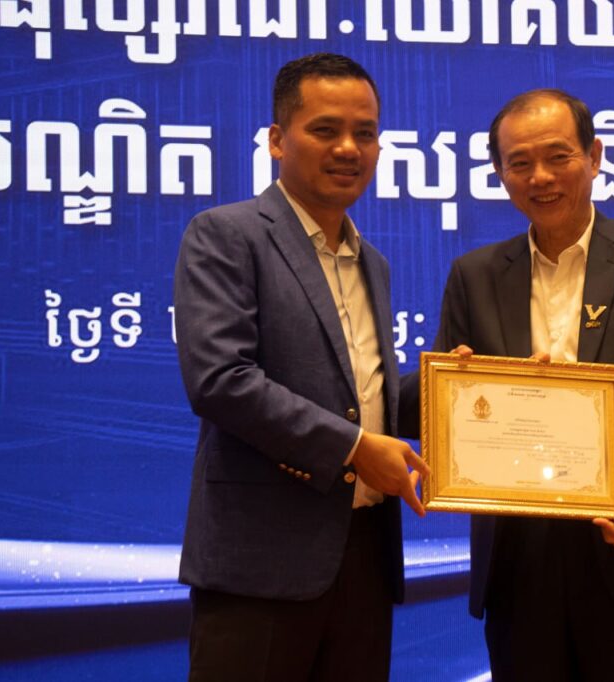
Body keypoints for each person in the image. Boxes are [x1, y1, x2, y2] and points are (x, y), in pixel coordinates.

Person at [403, 89, 614, 681]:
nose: (540, 177)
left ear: (594, 157)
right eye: (519, 163)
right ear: (500, 173)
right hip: (519, 561)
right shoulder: (474, 275)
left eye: (557, 157)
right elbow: (433, 406)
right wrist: (449, 388)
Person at [173, 53, 428, 682]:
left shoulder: (372, 262)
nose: (348, 148)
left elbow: (363, 398)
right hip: (259, 564)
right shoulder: (226, 234)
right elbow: (220, 380)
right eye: (325, 130)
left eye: (365, 133)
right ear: (277, 140)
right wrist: (354, 450)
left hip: (364, 560)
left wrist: (457, 387)